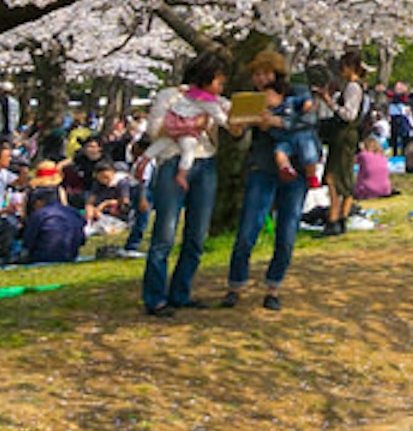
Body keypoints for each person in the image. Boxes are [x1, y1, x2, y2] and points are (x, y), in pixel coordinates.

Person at [224, 56, 319, 312]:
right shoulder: (251, 100)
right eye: (256, 75)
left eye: (265, 74)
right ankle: (235, 285)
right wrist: (236, 126)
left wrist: (277, 122)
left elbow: (311, 121)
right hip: (262, 166)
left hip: (295, 168)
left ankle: (273, 287)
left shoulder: (297, 91)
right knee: (248, 229)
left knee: (287, 232)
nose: (260, 79)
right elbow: (238, 133)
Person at [136, 53, 225, 318]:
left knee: (196, 235)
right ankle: (155, 298)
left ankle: (180, 292)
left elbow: (228, 127)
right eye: (218, 81)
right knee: (165, 233)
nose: (221, 86)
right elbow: (153, 130)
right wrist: (189, 124)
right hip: (173, 161)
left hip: (205, 162)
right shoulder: (169, 96)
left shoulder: (215, 102)